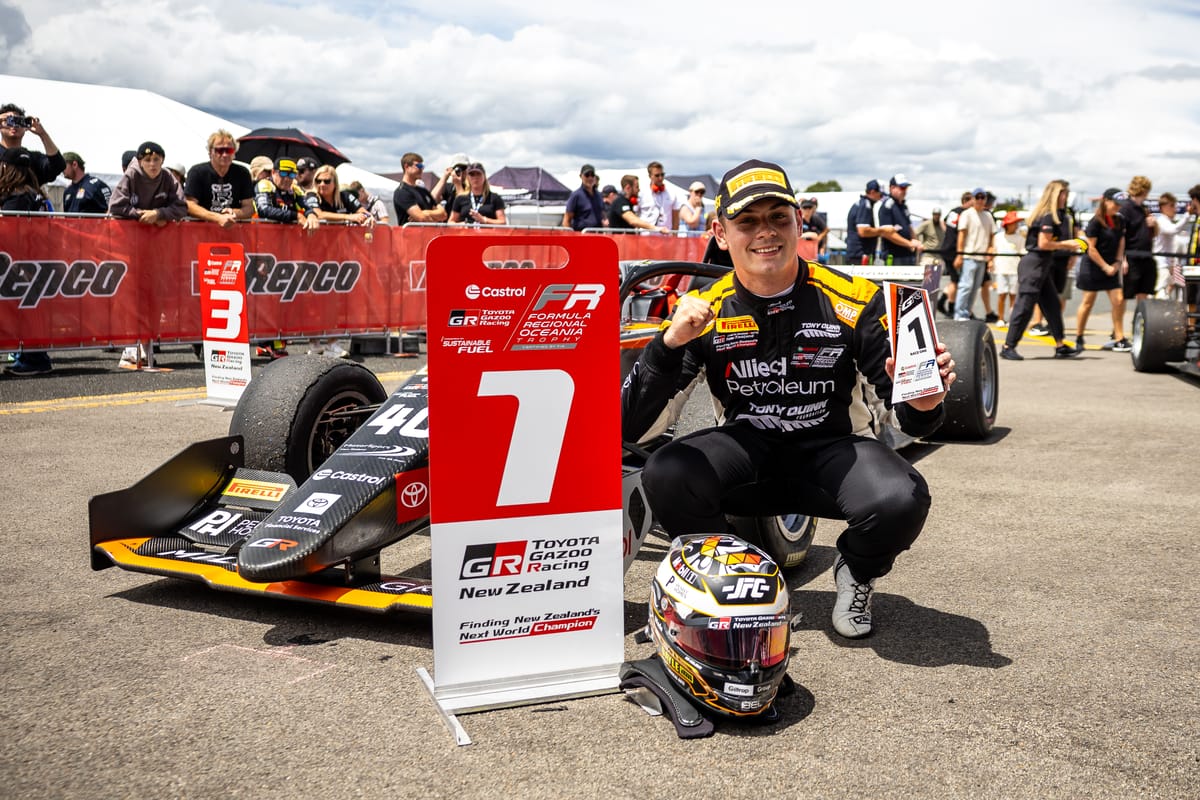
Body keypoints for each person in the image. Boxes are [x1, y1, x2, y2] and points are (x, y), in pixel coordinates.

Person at [621, 158, 956, 639]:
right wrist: (668, 345)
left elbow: (912, 422)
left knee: (901, 497)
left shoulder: (856, 300)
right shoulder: (703, 309)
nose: (766, 232)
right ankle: (727, 582)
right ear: (720, 233)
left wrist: (925, 401)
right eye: (747, 221)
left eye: (778, 217)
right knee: (667, 471)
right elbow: (632, 430)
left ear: (799, 222)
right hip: (747, 456)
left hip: (833, 453)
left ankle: (856, 570)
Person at [1000, 179, 1083, 360]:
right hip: (1034, 265)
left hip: (1042, 265)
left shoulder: (1054, 215)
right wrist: (1067, 245)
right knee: (1024, 307)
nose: (1066, 197)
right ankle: (1008, 346)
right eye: (1063, 193)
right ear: (1055, 195)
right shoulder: (1047, 216)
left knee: (1052, 306)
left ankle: (1060, 345)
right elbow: (1044, 243)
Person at [1074, 188, 1129, 353]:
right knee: (1088, 302)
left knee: (1118, 300)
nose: (1118, 207)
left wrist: (1118, 262)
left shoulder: (1120, 220)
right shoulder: (1095, 222)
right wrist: (1105, 266)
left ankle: (1119, 337)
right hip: (1093, 266)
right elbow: (1090, 248)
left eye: (1120, 205)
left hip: (1112, 266)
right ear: (1105, 201)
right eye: (1115, 204)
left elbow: (1121, 241)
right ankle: (1079, 336)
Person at [184, 129, 254, 227]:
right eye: (219, 150)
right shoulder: (197, 172)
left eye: (229, 150)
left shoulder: (243, 173)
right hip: (202, 230)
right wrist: (218, 218)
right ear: (210, 152)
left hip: (233, 230)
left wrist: (234, 213)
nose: (225, 155)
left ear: (234, 153)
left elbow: (249, 208)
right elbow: (190, 205)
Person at [108, 141, 188, 225]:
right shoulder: (131, 175)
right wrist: (145, 216)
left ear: (162, 160)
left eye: (156, 159)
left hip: (159, 231)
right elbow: (116, 206)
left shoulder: (168, 176)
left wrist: (159, 214)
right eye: (147, 160)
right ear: (140, 162)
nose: (152, 164)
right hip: (132, 229)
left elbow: (182, 207)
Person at [952, 188, 995, 320]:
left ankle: (966, 313)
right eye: (978, 197)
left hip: (982, 257)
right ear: (973, 199)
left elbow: (992, 236)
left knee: (975, 288)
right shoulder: (967, 214)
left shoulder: (988, 216)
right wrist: (959, 255)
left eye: (983, 197)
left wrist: (991, 255)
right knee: (966, 286)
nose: (980, 200)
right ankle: (959, 314)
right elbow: (961, 235)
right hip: (969, 256)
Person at [1119, 177, 1157, 322]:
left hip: (1146, 256)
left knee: (1144, 293)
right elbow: (1120, 235)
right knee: (1124, 295)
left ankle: (1139, 325)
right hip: (1131, 256)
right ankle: (1117, 329)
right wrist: (1123, 259)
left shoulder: (1144, 209)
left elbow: (1153, 234)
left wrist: (1153, 224)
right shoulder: (1126, 208)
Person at [0, 104, 65, 186]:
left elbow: (58, 166)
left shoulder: (31, 158)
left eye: (18, 121)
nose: (13, 125)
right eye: (9, 120)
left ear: (26, 127)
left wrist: (43, 134)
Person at [877, 174, 924, 265]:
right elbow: (887, 233)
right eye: (902, 188)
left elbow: (909, 227)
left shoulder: (903, 206)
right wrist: (909, 243)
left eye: (906, 188)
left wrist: (915, 241)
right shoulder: (887, 206)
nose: (904, 191)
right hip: (893, 256)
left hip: (908, 254)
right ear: (892, 188)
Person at [391, 152, 446, 225]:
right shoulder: (402, 192)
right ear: (406, 167)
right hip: (411, 232)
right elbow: (422, 218)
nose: (421, 169)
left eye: (422, 166)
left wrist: (426, 212)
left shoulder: (423, 191)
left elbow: (444, 214)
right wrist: (434, 217)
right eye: (419, 166)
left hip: (429, 232)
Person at [991, 211, 1025, 327]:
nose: (1015, 225)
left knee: (1013, 296)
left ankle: (1012, 319)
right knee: (1001, 295)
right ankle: (1000, 318)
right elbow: (994, 251)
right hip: (1001, 269)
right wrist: (991, 262)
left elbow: (1022, 252)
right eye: (1013, 223)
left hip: (1014, 270)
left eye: (1016, 223)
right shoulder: (998, 237)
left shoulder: (1020, 238)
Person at [1152, 192, 1186, 299]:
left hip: (1167, 264)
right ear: (1163, 207)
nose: (1175, 209)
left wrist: (1173, 264)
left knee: (1168, 292)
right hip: (1161, 265)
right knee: (1161, 294)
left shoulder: (1167, 221)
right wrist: (1187, 215)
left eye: (1174, 206)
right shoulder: (1162, 221)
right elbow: (1174, 230)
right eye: (1171, 206)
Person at [844, 179, 884, 263]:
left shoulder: (862, 203)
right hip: (859, 255)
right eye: (880, 194)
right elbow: (863, 231)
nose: (881, 197)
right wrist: (882, 231)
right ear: (873, 192)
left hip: (857, 254)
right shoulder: (866, 205)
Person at [638, 161, 682, 230]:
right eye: (657, 175)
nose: (660, 178)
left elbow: (676, 218)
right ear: (650, 176)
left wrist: (674, 234)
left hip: (665, 234)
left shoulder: (672, 193)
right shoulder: (642, 193)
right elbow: (636, 216)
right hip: (646, 233)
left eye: (662, 175)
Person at [562, 164, 604, 231]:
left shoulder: (599, 195)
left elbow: (602, 215)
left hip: (598, 234)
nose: (590, 178)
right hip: (582, 234)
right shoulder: (576, 195)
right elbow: (566, 220)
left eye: (592, 175)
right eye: (587, 175)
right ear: (581, 176)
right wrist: (569, 235)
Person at [914, 207, 945, 274]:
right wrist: (919, 244)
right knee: (926, 276)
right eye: (935, 214)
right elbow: (915, 233)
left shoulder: (942, 225)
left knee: (938, 277)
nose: (936, 216)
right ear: (932, 215)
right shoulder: (927, 224)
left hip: (939, 256)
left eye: (938, 215)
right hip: (928, 256)